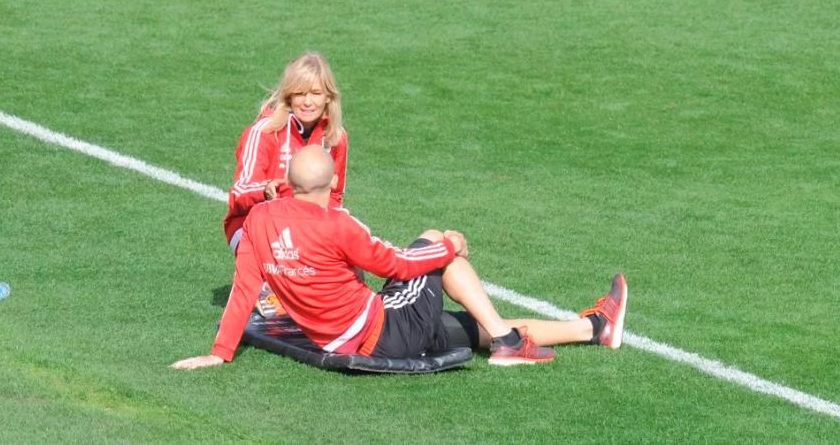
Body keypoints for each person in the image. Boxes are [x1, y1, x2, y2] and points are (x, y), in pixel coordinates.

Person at [173, 146, 628, 370]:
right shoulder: (337, 224)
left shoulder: (260, 220)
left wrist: (219, 353)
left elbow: (244, 288)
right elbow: (398, 265)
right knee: (430, 241)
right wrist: (450, 244)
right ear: (331, 185)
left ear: (288, 183)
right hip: (383, 331)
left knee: (475, 327)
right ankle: (509, 343)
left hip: (356, 337)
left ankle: (594, 329)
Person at [223, 52, 348, 255]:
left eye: (316, 93)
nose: (308, 102)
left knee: (349, 261)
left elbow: (335, 195)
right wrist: (264, 190)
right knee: (289, 270)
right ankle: (258, 284)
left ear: (328, 97)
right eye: (300, 93)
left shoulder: (336, 137)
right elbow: (238, 194)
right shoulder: (264, 131)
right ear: (289, 96)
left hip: (306, 227)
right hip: (252, 224)